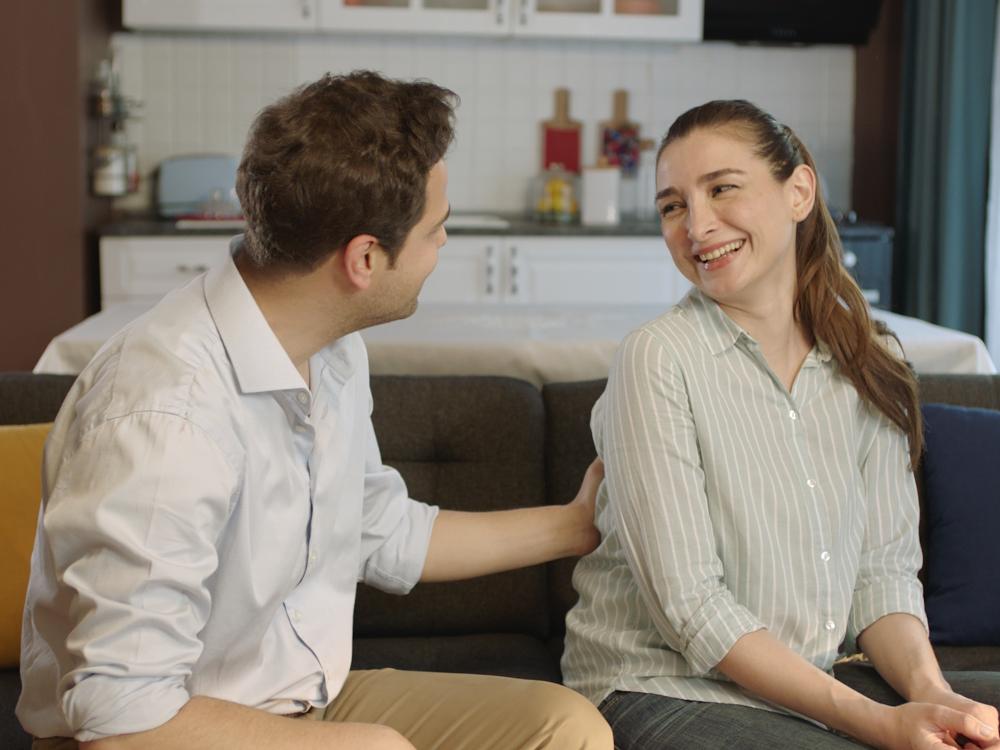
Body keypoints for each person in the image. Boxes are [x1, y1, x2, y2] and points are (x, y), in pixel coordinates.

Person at [17, 70, 613, 750]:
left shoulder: (330, 348)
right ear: (364, 258)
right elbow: (121, 716)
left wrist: (573, 528)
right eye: (436, 230)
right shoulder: (165, 415)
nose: (443, 245)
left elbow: (378, 529)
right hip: (172, 729)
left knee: (564, 729)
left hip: (299, 698)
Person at [561, 99, 1000, 749]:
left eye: (722, 189)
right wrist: (877, 722)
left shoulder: (869, 359)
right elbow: (691, 608)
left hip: (820, 678)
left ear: (798, 192)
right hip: (664, 685)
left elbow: (881, 575)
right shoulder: (657, 357)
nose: (697, 225)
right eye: (673, 206)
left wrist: (934, 696)